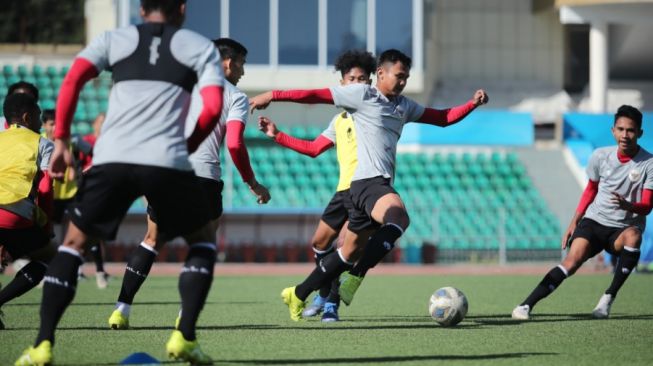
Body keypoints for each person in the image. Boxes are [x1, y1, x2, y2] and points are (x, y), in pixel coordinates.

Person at [15, 0, 225, 364]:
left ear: (142, 10)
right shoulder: (200, 47)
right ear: (182, 9)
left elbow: (74, 78)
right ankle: (184, 337)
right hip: (166, 161)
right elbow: (212, 107)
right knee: (203, 241)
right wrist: (185, 146)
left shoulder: (115, 38)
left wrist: (61, 139)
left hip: (112, 157)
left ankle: (42, 346)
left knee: (73, 245)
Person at [250, 49, 488, 321]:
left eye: (406, 78)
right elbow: (316, 96)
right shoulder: (362, 95)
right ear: (381, 74)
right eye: (399, 76)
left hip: (365, 187)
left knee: (346, 252)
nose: (402, 82)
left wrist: (471, 104)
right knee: (397, 218)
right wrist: (273, 96)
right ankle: (352, 280)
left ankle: (300, 293)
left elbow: (442, 118)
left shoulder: (404, 105)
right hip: (366, 183)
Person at [107, 37, 270, 330]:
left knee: (151, 240)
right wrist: (253, 183)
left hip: (167, 172)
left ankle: (122, 309)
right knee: (202, 248)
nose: (243, 72)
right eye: (242, 64)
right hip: (204, 178)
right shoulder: (235, 96)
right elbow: (234, 145)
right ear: (228, 63)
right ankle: (185, 318)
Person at [257, 50, 377, 322]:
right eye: (351, 79)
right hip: (343, 190)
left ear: (369, 83)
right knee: (319, 242)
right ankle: (323, 292)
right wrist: (278, 135)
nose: (357, 83)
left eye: (362, 79)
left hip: (367, 190)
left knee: (344, 245)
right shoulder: (339, 120)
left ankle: (332, 304)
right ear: (342, 84)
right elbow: (313, 148)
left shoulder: (373, 112)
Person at [512, 105, 651, 320]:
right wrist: (574, 222)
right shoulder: (600, 156)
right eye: (621, 129)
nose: (625, 135)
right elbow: (591, 189)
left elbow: (647, 205)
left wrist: (629, 207)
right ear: (613, 130)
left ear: (639, 133)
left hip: (622, 229)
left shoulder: (649, 163)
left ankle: (607, 299)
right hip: (594, 222)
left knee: (635, 236)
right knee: (571, 263)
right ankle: (525, 306)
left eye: (630, 130)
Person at [0, 93, 55, 330]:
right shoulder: (42, 143)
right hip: (14, 211)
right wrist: (46, 223)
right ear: (27, 116)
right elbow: (45, 188)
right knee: (48, 259)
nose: (42, 123)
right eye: (39, 117)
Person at [43, 110, 108, 288]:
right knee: (46, 234)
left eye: (58, 123)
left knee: (84, 230)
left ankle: (100, 272)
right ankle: (47, 271)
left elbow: (93, 155)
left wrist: (85, 171)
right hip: (50, 194)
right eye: (51, 124)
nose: (56, 127)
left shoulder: (72, 139)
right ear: (44, 126)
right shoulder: (39, 141)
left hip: (72, 193)